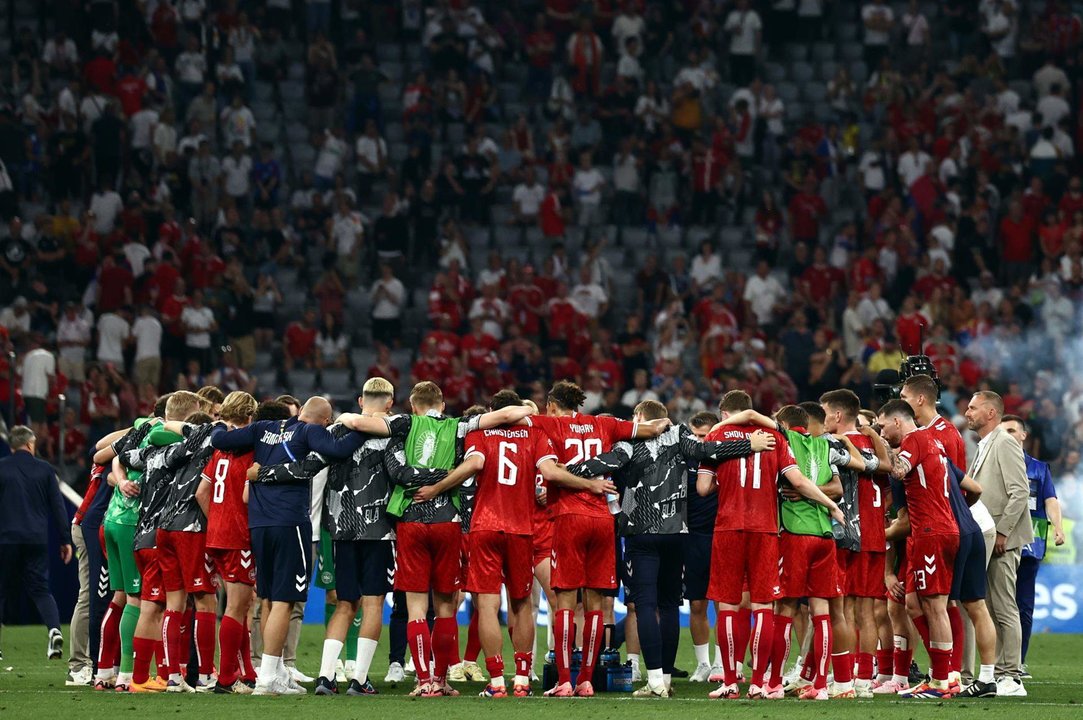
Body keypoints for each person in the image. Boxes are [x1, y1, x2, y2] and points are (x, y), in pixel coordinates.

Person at [566, 399, 771, 698]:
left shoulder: (628, 443)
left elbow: (601, 464)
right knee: (670, 605)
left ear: (639, 417)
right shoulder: (680, 436)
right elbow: (707, 450)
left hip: (640, 534)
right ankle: (667, 678)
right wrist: (748, 445)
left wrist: (563, 470)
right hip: (677, 533)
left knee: (646, 605)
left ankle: (655, 681)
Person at [209, 396, 392, 695]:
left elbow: (221, 441)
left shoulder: (262, 428)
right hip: (289, 523)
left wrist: (217, 425)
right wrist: (364, 425)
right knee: (285, 601)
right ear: (323, 421)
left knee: (267, 598)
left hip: (258, 524)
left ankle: (275, 669)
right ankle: (268, 677)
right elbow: (339, 449)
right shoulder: (309, 431)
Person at [424, 390, 599, 697]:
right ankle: (521, 679)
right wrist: (588, 484)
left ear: (493, 410)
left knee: (488, 606)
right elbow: (550, 472)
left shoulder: (480, 434)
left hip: (485, 527)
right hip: (522, 529)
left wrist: (437, 486)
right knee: (522, 607)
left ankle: (495, 681)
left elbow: (474, 465)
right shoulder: (535, 435)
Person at [527, 380, 671, 697]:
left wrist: (584, 482)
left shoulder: (549, 425)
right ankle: (587, 681)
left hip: (570, 518)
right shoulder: (603, 424)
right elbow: (654, 428)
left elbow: (521, 425)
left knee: (565, 602)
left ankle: (565, 680)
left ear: (551, 405)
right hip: (604, 521)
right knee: (595, 605)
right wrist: (664, 421)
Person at [697, 390, 843, 700]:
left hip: (729, 527)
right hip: (766, 529)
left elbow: (702, 487)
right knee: (764, 606)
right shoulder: (775, 437)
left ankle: (731, 681)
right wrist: (830, 505)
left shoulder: (717, 436)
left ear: (725, 413)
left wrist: (722, 475)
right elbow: (800, 482)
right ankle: (760, 683)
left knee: (729, 605)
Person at [877, 400, 958, 699]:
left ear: (898, 422)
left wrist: (876, 444)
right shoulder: (932, 440)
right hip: (933, 530)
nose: (882, 433)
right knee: (914, 602)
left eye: (883, 427)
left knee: (936, 608)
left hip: (931, 531)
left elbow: (898, 471)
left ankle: (942, 680)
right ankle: (941, 676)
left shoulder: (916, 439)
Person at [963, 391, 1032, 696]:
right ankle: (997, 673)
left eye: (973, 408)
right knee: (990, 606)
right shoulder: (984, 445)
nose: (967, 412)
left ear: (991, 413)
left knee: (1004, 606)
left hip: (1003, 538)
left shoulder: (1005, 442)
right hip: (986, 535)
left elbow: (1020, 492)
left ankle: (1011, 676)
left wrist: (1003, 532)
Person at [0, 426, 73, 661]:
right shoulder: (45, 470)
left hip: (6, 539)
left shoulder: (1, 468)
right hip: (36, 539)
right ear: (31, 444)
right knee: (40, 589)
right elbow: (58, 507)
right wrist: (65, 539)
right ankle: (54, 631)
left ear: (12, 446)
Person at [1000, 415, 1064, 676]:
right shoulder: (995, 464)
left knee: (1023, 605)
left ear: (1024, 435)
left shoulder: (1038, 468)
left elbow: (1050, 499)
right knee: (998, 605)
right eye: (1003, 431)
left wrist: (1057, 526)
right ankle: (997, 661)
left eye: (1012, 430)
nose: (1008, 435)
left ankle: (1018, 662)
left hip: (1030, 541)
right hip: (1000, 541)